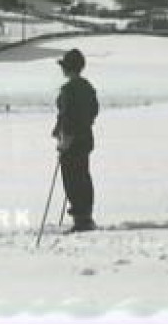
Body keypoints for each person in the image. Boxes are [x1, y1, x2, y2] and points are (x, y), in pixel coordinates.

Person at [52, 47, 99, 233]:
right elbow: (93, 111)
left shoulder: (68, 90)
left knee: (72, 179)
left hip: (72, 141)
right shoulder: (88, 88)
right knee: (83, 176)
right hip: (85, 139)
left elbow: (67, 116)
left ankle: (81, 220)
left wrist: (65, 139)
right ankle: (85, 216)